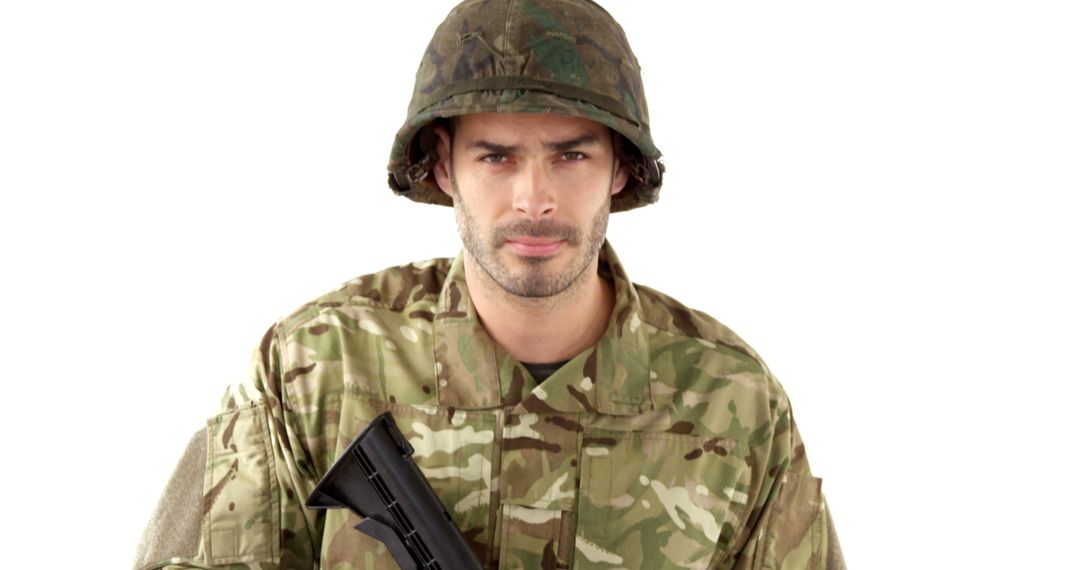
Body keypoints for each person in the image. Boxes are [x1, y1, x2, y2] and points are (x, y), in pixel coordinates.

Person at [135, 1, 844, 568]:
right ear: (444, 168)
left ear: (619, 170)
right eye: (497, 156)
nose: (534, 198)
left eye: (570, 155)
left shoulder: (731, 401)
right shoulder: (315, 368)